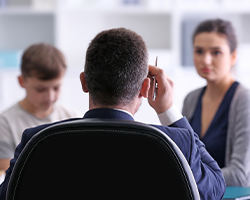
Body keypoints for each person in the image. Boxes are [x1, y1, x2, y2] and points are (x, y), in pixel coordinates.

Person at [0, 28, 225, 200]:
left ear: (84, 81)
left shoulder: (37, 141)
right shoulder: (177, 142)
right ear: (145, 88)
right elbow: (216, 185)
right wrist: (168, 111)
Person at [182, 19, 250, 186]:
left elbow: (240, 175)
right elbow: (180, 156)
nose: (206, 60)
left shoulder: (244, 101)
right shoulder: (191, 99)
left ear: (233, 56)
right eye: (199, 51)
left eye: (216, 52)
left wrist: (188, 177)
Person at [0, 43, 81, 171]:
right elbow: (7, 175)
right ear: (22, 81)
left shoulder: (73, 117)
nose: (49, 96)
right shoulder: (5, 123)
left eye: (56, 87)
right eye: (40, 89)